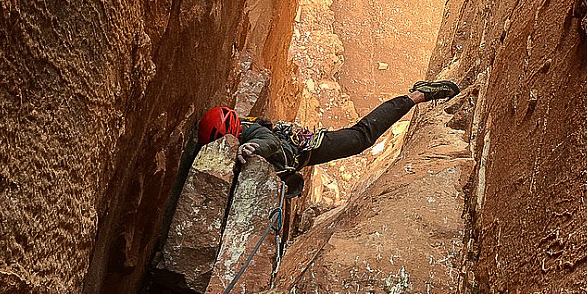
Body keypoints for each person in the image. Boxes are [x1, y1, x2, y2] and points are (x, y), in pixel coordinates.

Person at [197, 80, 460, 194]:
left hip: (304, 148)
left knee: (361, 138)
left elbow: (270, 142)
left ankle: (418, 95)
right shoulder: (238, 131)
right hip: (294, 154)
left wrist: (253, 148)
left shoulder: (249, 132)